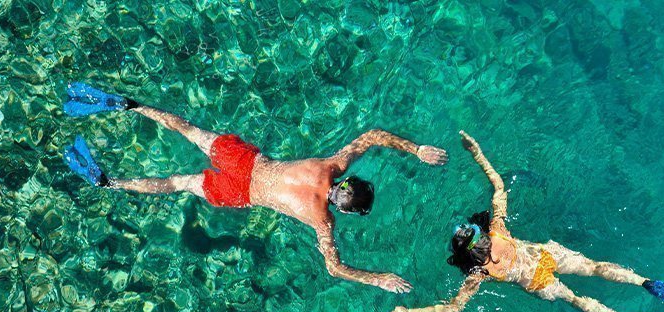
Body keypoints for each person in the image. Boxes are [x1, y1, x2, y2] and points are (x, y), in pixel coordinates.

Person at [62, 83, 448, 293]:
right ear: (345, 209)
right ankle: (107, 181)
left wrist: (416, 149)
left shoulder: (331, 166)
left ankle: (128, 105)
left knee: (187, 129)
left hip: (244, 161)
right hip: (240, 193)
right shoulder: (322, 221)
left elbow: (372, 136)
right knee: (177, 182)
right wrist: (377, 278)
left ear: (346, 182)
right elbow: (333, 269)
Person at [387, 131, 664, 312]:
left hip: (537, 281)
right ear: (480, 235)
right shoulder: (498, 230)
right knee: (595, 267)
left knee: (575, 299)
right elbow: (498, 185)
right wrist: (476, 152)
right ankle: (648, 283)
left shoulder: (479, 274)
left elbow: (453, 309)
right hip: (547, 255)